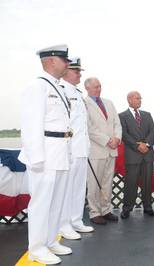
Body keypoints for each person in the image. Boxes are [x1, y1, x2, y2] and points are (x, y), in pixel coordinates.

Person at [18, 44, 73, 264]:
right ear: (51, 61)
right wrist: (37, 158)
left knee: (56, 201)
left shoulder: (57, 87)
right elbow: (31, 126)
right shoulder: (37, 87)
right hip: (45, 155)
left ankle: (50, 241)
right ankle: (37, 249)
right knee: (41, 203)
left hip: (60, 152)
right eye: (64, 60)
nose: (67, 64)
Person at [59, 58, 94, 240]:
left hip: (81, 149)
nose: (80, 74)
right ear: (66, 72)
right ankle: (64, 225)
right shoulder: (61, 91)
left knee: (79, 188)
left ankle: (76, 220)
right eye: (76, 71)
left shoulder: (78, 93)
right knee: (67, 189)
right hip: (69, 150)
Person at [84, 77, 122, 224]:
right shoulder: (84, 104)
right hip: (96, 150)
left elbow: (117, 124)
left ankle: (106, 210)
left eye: (99, 86)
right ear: (87, 88)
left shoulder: (109, 103)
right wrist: (107, 140)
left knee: (107, 182)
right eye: (95, 87)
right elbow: (89, 128)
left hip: (111, 150)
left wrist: (117, 138)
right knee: (94, 183)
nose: (98, 89)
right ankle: (94, 213)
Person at [119, 91, 154, 219]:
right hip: (132, 155)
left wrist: (146, 145)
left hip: (147, 154)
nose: (140, 100)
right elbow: (124, 134)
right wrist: (137, 146)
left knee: (147, 183)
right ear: (129, 100)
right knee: (131, 183)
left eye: (140, 98)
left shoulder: (147, 115)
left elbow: (153, 131)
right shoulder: (122, 116)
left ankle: (148, 207)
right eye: (137, 98)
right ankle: (127, 209)